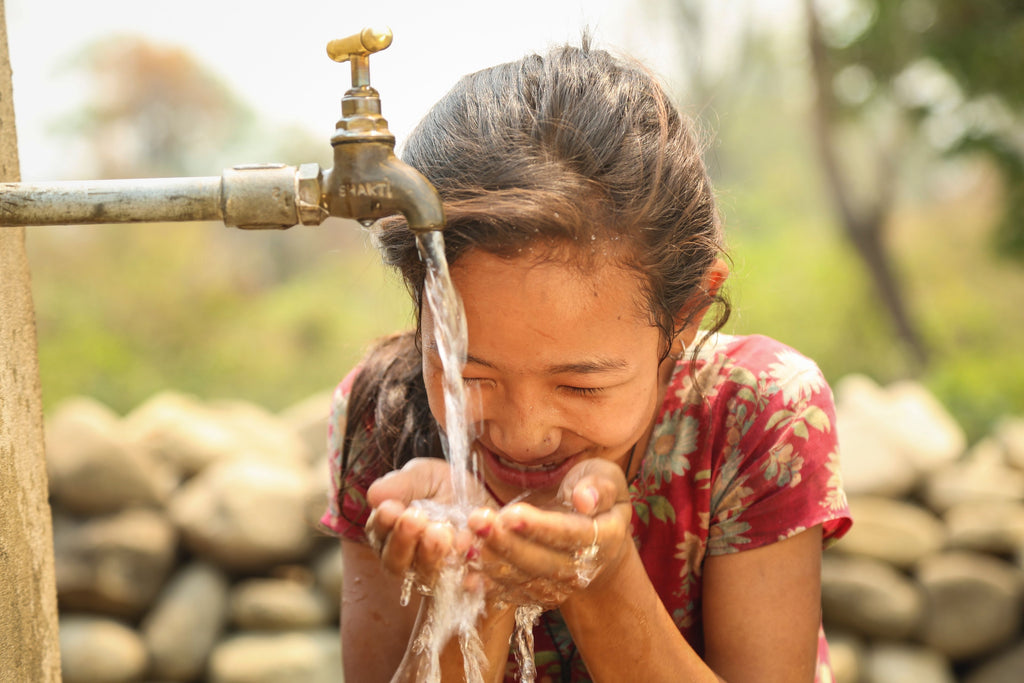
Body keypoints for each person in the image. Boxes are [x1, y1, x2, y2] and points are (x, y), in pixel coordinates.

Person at [320, 36, 852, 683]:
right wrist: (474, 586)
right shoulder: (388, 413)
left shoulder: (757, 414)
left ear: (683, 316)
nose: (524, 431)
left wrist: (601, 579)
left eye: (579, 385)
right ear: (419, 300)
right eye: (470, 375)